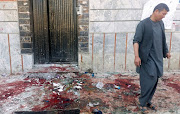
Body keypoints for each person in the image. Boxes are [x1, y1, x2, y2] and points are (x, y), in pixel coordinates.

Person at [133, 3, 171, 113]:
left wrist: (166, 51)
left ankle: (148, 100)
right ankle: (142, 102)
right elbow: (136, 41)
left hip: (158, 57)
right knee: (148, 79)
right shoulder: (143, 24)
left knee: (155, 80)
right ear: (156, 11)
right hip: (147, 57)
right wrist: (136, 56)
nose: (164, 16)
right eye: (163, 14)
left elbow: (163, 39)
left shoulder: (161, 23)